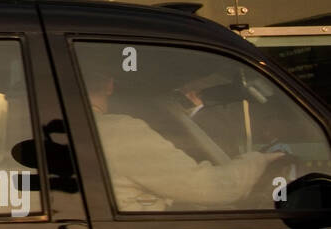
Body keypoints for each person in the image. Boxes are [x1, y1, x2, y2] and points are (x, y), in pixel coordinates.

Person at [85, 67, 286, 211]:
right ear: (109, 85)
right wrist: (258, 161)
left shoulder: (71, 129)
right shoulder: (119, 131)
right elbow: (215, 188)